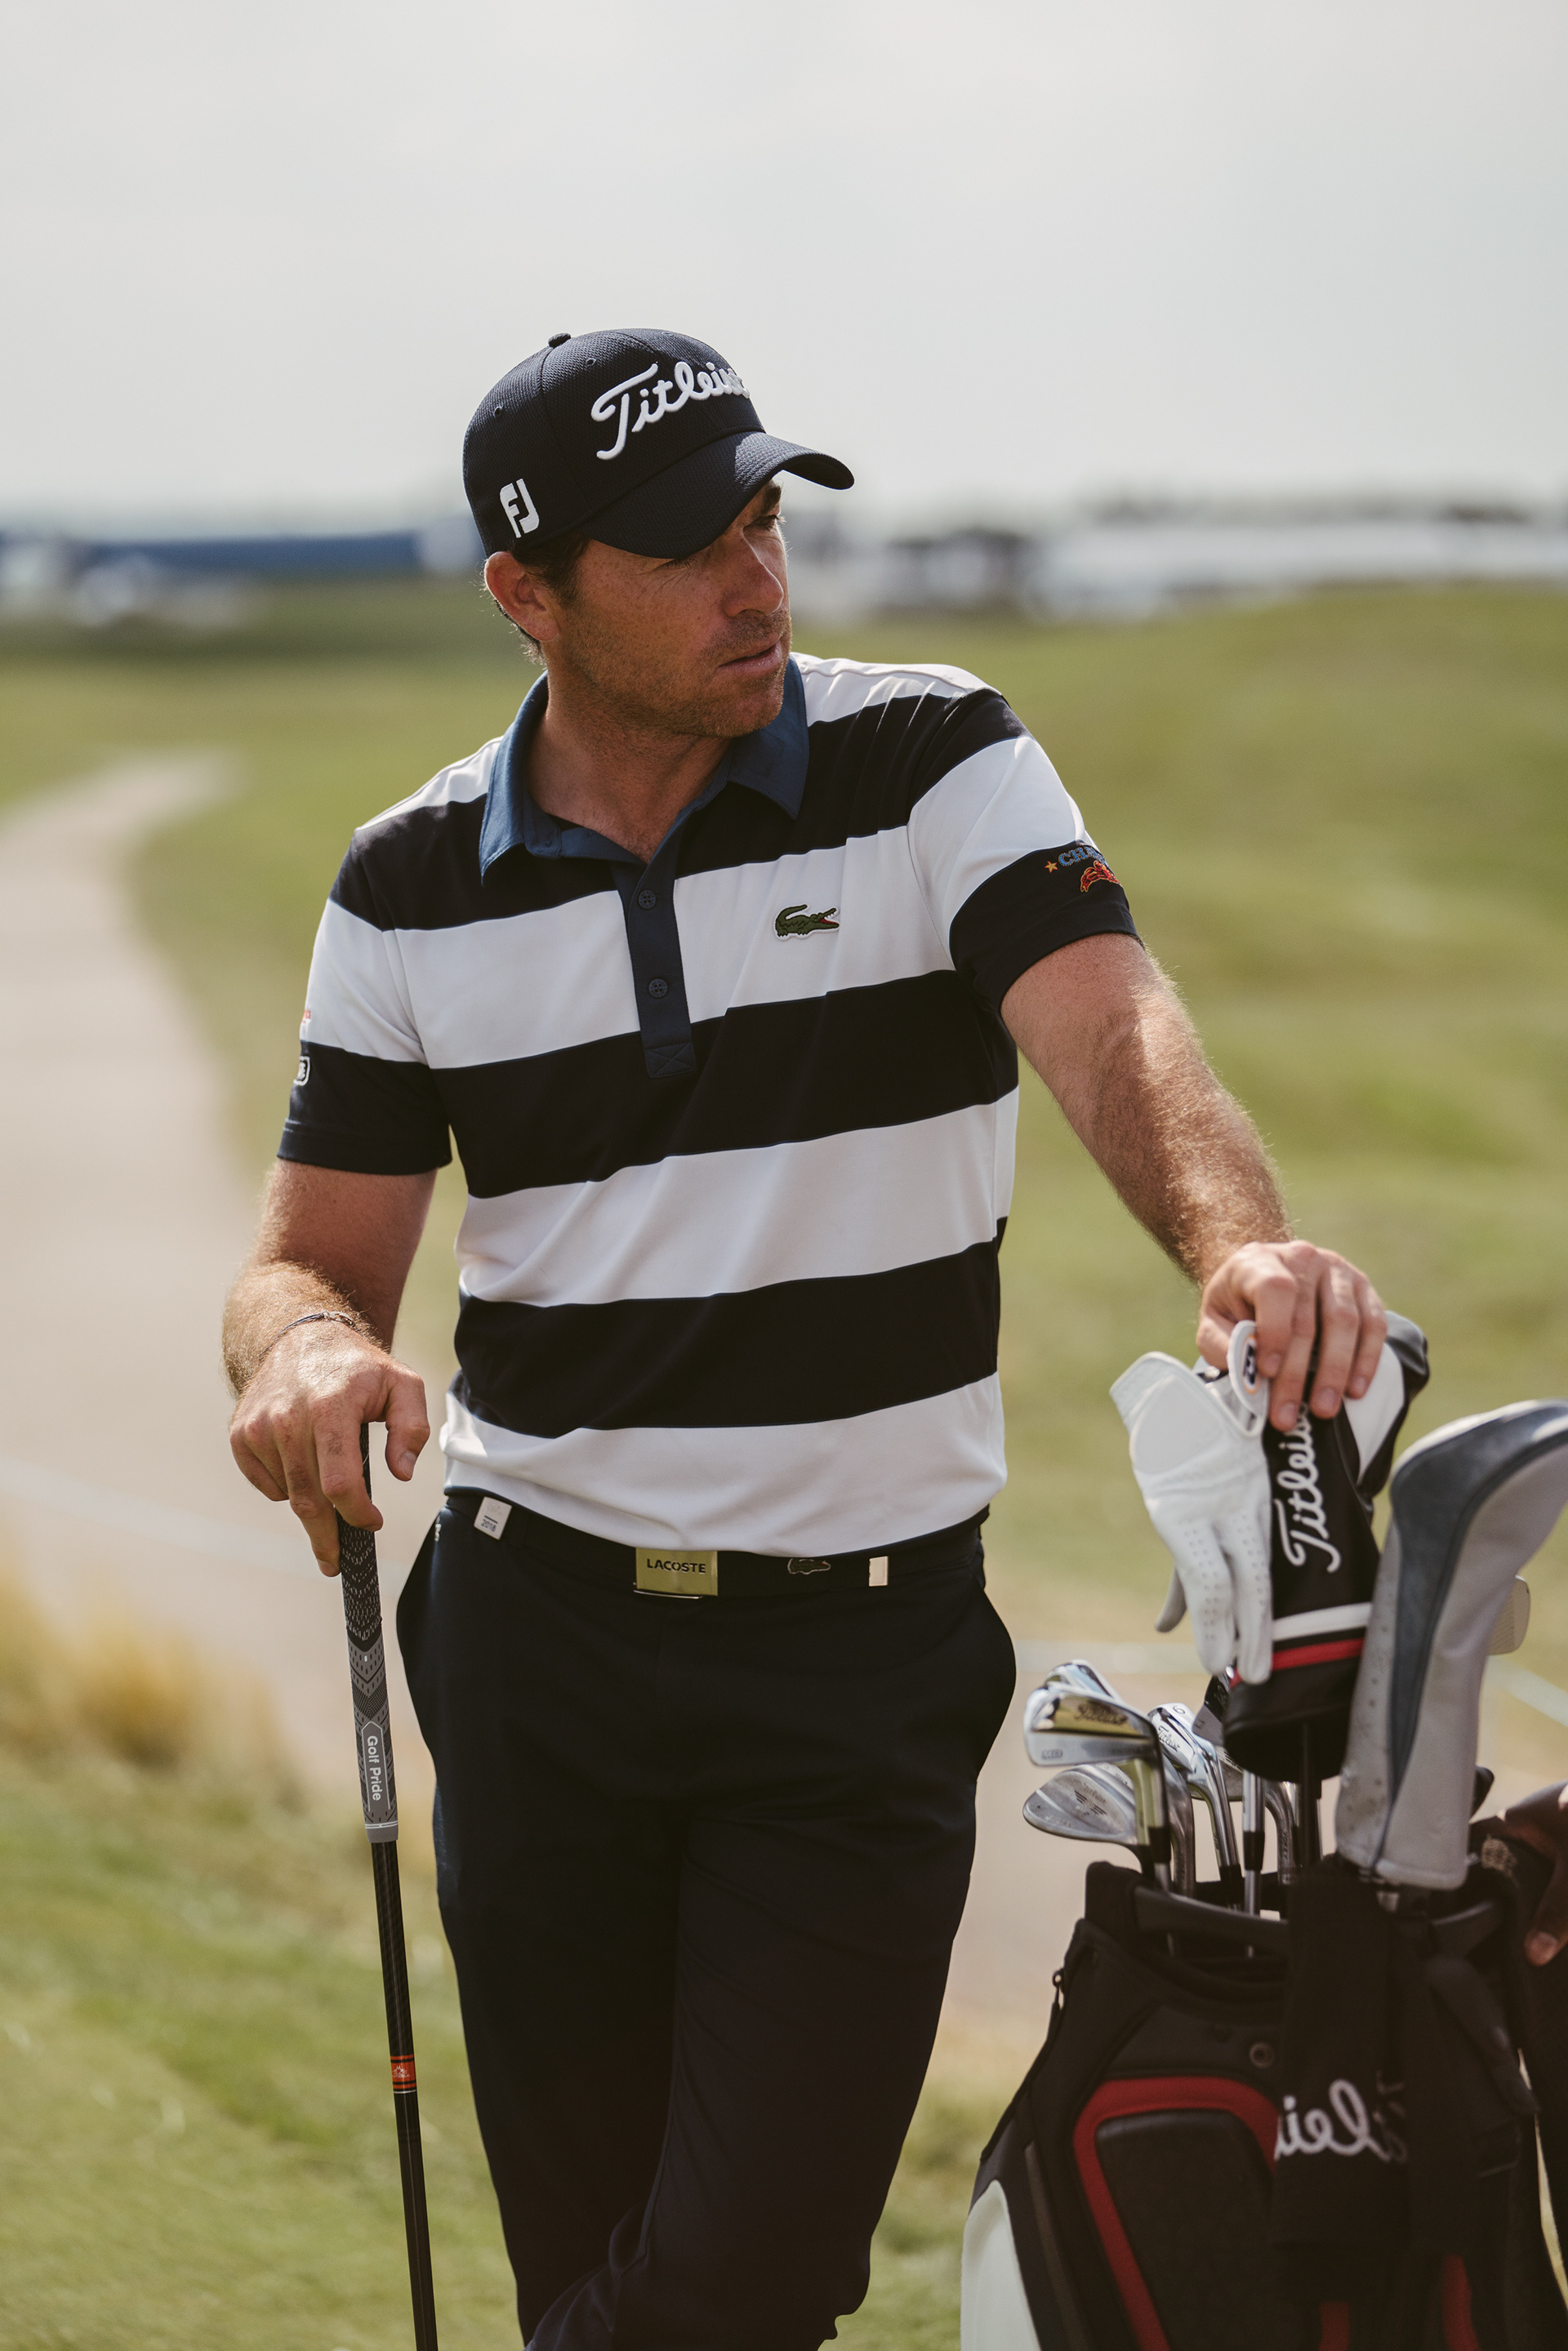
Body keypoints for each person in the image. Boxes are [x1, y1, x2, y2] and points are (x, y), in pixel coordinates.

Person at [222, 327, 1386, 2350]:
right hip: (534, 1651)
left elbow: (1111, 1022)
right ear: (527, 595)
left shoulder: (929, 759)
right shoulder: (407, 885)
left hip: (853, 1667)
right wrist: (303, 1357)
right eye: (687, 548)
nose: (756, 578)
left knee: (748, 2275)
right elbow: (304, 1264)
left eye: (764, 520)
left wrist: (1237, 1240)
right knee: (590, 2256)